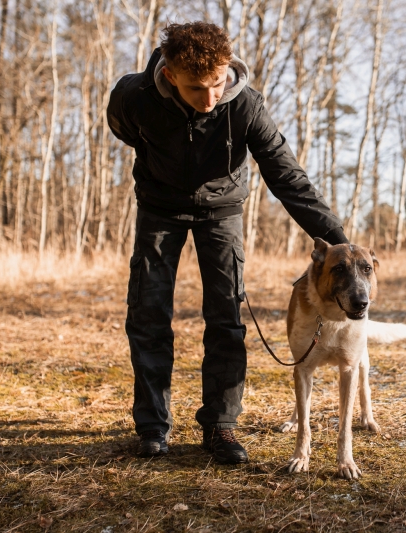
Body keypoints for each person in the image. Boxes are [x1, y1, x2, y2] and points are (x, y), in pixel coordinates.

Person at [107, 21, 348, 464]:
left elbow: (287, 178)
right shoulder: (134, 96)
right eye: (196, 88)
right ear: (169, 75)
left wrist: (341, 247)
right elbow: (124, 130)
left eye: (217, 83)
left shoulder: (246, 105)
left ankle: (220, 425)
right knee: (148, 312)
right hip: (159, 208)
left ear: (228, 68)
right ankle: (152, 427)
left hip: (221, 211)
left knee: (225, 316)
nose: (210, 97)